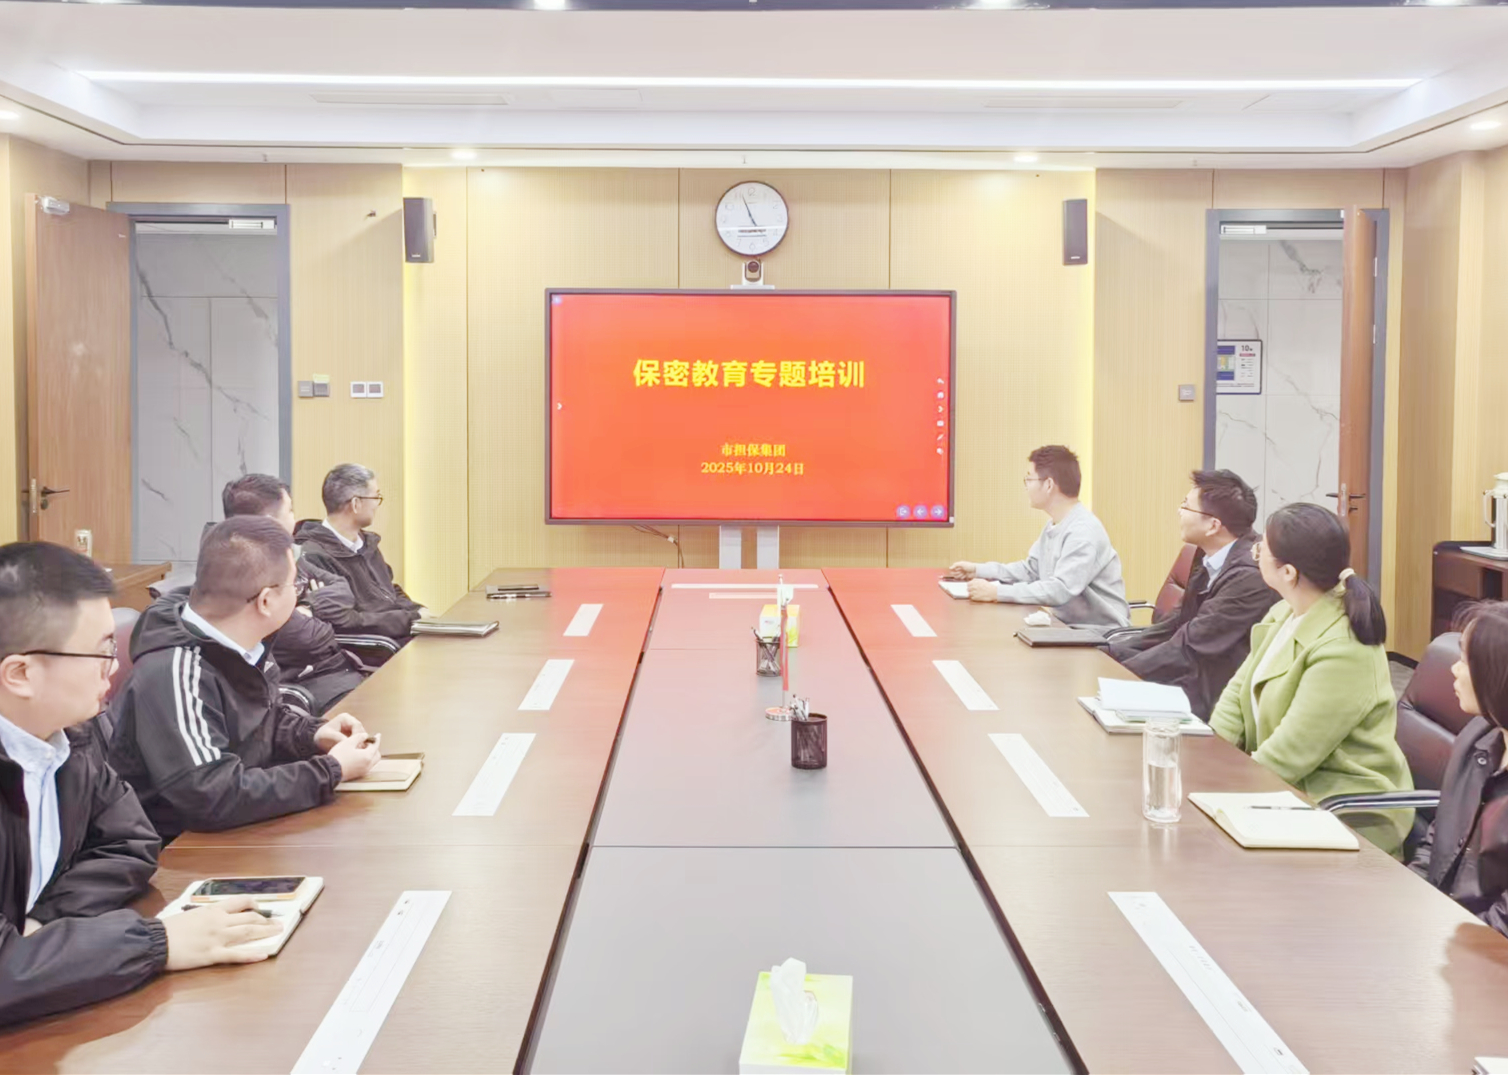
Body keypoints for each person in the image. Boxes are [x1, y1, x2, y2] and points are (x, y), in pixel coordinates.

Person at [1, 542, 281, 1026]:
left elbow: (129, 841)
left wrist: (44, 921)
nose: (113, 667)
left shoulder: (70, 738)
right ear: (21, 674)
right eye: (100, 651)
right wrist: (158, 942)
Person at [109, 516, 381, 842]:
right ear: (266, 601)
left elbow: (257, 724)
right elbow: (211, 795)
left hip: (243, 829)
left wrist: (312, 734)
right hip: (183, 851)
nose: (299, 596)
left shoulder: (242, 642)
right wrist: (330, 770)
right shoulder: (174, 670)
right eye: (295, 586)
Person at [1210, 502, 1413, 855]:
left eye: (1261, 550)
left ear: (1288, 572)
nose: (1255, 555)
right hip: (1286, 791)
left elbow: (1290, 754)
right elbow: (1236, 695)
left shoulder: (1344, 648)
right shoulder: (1286, 611)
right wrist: (1209, 759)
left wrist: (1220, 790)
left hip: (1341, 810)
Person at [1106, 470, 1277, 719]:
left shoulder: (1249, 577)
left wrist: (1117, 675)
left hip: (1215, 693)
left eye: (1186, 506)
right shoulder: (1208, 554)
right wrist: (1109, 652)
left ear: (1213, 525)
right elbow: (1175, 624)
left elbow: (1190, 646)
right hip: (1193, 672)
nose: (1179, 512)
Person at [221, 474, 368, 712]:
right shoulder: (243, 575)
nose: (295, 518)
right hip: (309, 687)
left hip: (340, 671)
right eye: (290, 511)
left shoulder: (288, 556)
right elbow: (314, 638)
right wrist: (320, 615)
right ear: (270, 522)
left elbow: (342, 588)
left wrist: (310, 606)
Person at [946, 444, 1129, 629]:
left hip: (1100, 634)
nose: (1026, 486)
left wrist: (996, 592)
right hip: (1068, 628)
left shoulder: (1083, 531)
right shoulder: (1056, 524)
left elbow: (1059, 590)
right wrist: (978, 570)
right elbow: (1030, 571)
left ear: (1048, 484)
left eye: (1029, 479)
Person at [1409, 602, 1508, 937]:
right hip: (1441, 928)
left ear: (1498, 675)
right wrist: (1405, 898)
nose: (1454, 669)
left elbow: (1502, 924)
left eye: (1465, 660)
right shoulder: (1478, 735)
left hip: (1483, 951)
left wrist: (1441, 939)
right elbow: (1439, 837)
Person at [295, 464, 431, 641]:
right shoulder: (313, 556)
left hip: (400, 635)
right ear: (356, 504)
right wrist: (411, 619)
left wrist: (417, 610)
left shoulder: (367, 544)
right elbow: (349, 621)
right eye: (376, 497)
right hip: (375, 647)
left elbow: (389, 591)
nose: (377, 504)